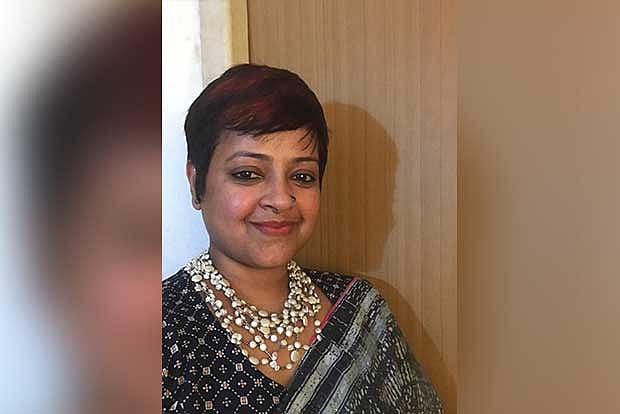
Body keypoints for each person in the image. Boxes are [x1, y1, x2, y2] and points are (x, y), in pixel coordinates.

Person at [162, 64, 443, 413]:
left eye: (302, 176)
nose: (281, 199)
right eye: (248, 173)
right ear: (196, 183)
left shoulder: (360, 311)